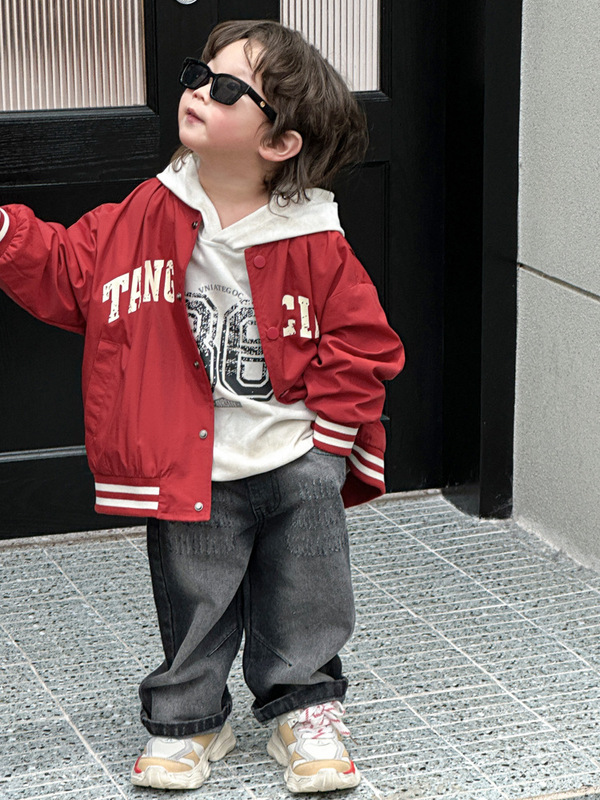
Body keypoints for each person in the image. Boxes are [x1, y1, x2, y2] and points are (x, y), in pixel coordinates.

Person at [0, 19, 404, 794]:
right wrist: (7, 233)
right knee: (195, 598)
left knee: (307, 594)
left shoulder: (315, 237)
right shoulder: (146, 212)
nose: (196, 91)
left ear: (279, 142)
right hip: (191, 464)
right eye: (197, 73)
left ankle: (304, 711)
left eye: (224, 89)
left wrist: (328, 444)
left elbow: (363, 342)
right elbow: (70, 271)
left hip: (295, 455)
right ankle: (189, 721)